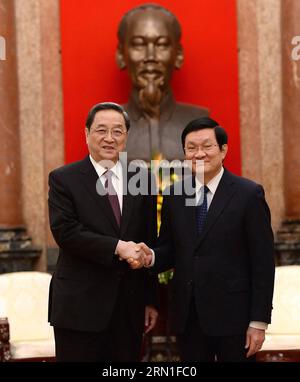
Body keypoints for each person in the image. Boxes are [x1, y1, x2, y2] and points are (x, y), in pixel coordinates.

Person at [138, 117, 275, 362]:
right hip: (188, 316)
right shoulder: (174, 194)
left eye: (207, 146)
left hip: (236, 317)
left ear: (223, 150)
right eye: (191, 148)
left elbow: (263, 262)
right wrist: (150, 257)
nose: (199, 153)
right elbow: (170, 248)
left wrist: (258, 321)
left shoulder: (248, 194)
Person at [48, 102, 158, 362]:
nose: (110, 138)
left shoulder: (142, 178)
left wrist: (150, 300)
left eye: (118, 131)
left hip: (128, 308)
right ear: (87, 134)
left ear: (126, 137)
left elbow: (148, 240)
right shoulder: (64, 179)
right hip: (79, 307)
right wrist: (118, 247)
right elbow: (66, 232)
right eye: (101, 130)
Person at [116, 3, 208, 161]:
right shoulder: (105, 128)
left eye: (162, 45)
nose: (150, 56)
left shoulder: (199, 121)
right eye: (139, 44)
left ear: (178, 55)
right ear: (121, 55)